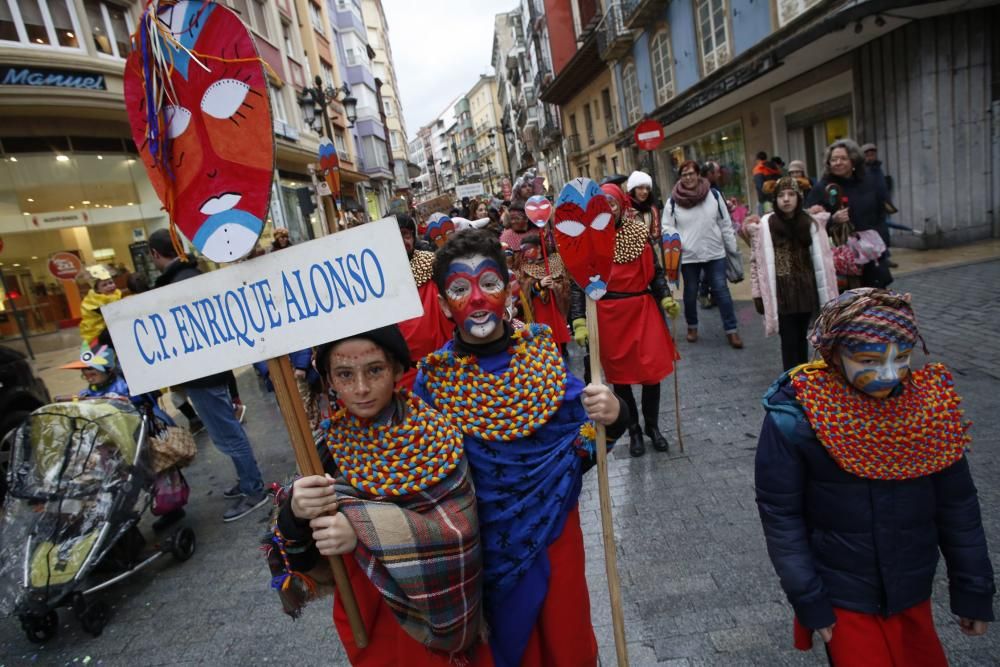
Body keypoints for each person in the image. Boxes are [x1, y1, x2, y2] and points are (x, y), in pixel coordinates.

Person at [415, 229, 631, 666]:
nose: (477, 299)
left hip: (554, 537)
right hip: (485, 552)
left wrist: (615, 412)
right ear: (442, 305)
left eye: (489, 283)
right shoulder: (433, 382)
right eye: (460, 289)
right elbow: (421, 478)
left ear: (509, 289)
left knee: (566, 645)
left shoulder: (540, 354)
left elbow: (582, 444)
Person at [755, 288, 995, 665]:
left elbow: (958, 506)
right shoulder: (797, 418)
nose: (888, 374)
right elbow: (781, 516)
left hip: (912, 586)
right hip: (843, 591)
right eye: (868, 359)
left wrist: (973, 588)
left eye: (901, 358)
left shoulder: (928, 409)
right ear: (834, 354)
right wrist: (808, 597)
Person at [272, 325, 491, 666]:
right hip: (367, 618)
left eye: (375, 370)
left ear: (397, 369)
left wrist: (359, 530)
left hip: (427, 622)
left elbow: (459, 535)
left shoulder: (436, 438)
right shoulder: (324, 453)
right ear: (329, 380)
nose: (360, 388)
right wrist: (296, 514)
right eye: (344, 374)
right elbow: (301, 560)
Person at [147, 228, 269, 522]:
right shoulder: (194, 274)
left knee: (228, 432)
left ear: (154, 254)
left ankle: (254, 489)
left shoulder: (178, 283)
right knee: (227, 430)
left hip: (202, 373)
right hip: (210, 370)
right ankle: (247, 481)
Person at [570, 183, 680, 457]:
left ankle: (652, 427)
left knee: (651, 375)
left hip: (642, 311)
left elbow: (655, 272)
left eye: (613, 203)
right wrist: (579, 321)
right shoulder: (588, 240)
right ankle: (633, 430)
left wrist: (664, 296)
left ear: (621, 206)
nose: (608, 209)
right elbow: (577, 285)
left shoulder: (639, 233)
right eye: (602, 204)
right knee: (621, 380)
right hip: (608, 316)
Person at [61, 341, 188, 530]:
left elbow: (145, 404)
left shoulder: (126, 386)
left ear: (107, 369)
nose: (88, 374)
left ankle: (172, 510)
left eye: (92, 370)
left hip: (139, 440)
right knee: (117, 483)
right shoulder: (86, 393)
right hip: (112, 444)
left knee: (157, 476)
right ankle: (121, 520)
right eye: (85, 371)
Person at [747, 176, 838, 369]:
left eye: (791, 194)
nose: (786, 199)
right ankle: (791, 380)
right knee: (788, 342)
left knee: (801, 339)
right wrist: (757, 294)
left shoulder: (810, 223)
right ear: (775, 199)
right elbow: (756, 263)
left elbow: (825, 260)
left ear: (799, 197)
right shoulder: (766, 225)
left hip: (806, 292)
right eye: (781, 195)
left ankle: (802, 377)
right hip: (781, 294)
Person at [665, 160, 744, 349]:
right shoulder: (673, 201)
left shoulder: (714, 195)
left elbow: (725, 224)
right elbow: (667, 227)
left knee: (721, 291)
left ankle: (731, 330)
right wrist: (677, 244)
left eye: (692, 173)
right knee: (690, 293)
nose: (689, 177)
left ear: (698, 174)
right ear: (680, 177)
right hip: (689, 256)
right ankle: (692, 327)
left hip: (715, 253)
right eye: (684, 174)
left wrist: (731, 248)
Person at [805, 139, 892, 289]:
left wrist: (881, 243)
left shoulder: (868, 182)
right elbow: (808, 222)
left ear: (853, 161)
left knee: (874, 303)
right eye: (833, 159)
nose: (838, 162)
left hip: (870, 254)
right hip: (841, 259)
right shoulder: (822, 187)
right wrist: (833, 220)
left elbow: (880, 214)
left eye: (843, 158)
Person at [395, 214, 455, 389]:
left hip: (442, 363)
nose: (401, 241)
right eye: (395, 236)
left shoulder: (432, 264)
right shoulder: (376, 278)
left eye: (405, 235)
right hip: (403, 370)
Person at [515, 233, 570, 350]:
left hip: (555, 306)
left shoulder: (556, 261)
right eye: (522, 250)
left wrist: (555, 286)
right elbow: (523, 289)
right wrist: (538, 285)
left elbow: (566, 284)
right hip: (539, 309)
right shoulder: (524, 267)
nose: (524, 253)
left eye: (528, 249)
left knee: (559, 339)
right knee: (544, 341)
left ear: (539, 248)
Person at [79, 265, 122, 345]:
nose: (110, 286)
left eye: (111, 282)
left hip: (108, 326)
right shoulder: (94, 301)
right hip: (97, 332)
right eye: (104, 285)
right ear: (97, 289)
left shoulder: (115, 294)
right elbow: (113, 315)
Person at [625, 170, 660, 242]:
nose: (645, 192)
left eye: (647, 188)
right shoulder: (625, 209)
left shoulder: (652, 209)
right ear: (633, 190)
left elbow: (656, 232)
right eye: (640, 188)